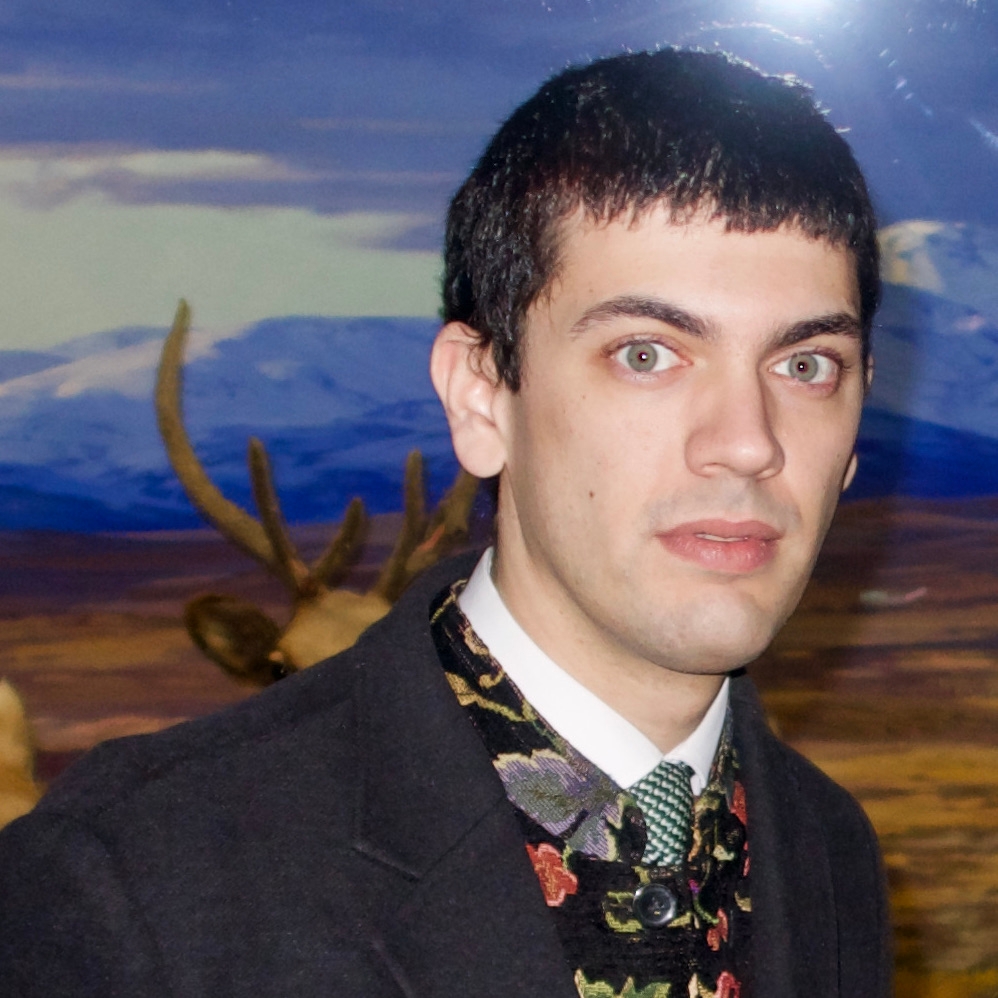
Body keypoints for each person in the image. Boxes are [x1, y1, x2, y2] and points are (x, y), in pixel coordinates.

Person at [0, 49, 890, 997]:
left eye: (806, 366)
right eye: (646, 354)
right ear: (480, 396)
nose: (747, 443)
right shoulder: (136, 880)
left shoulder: (829, 853)